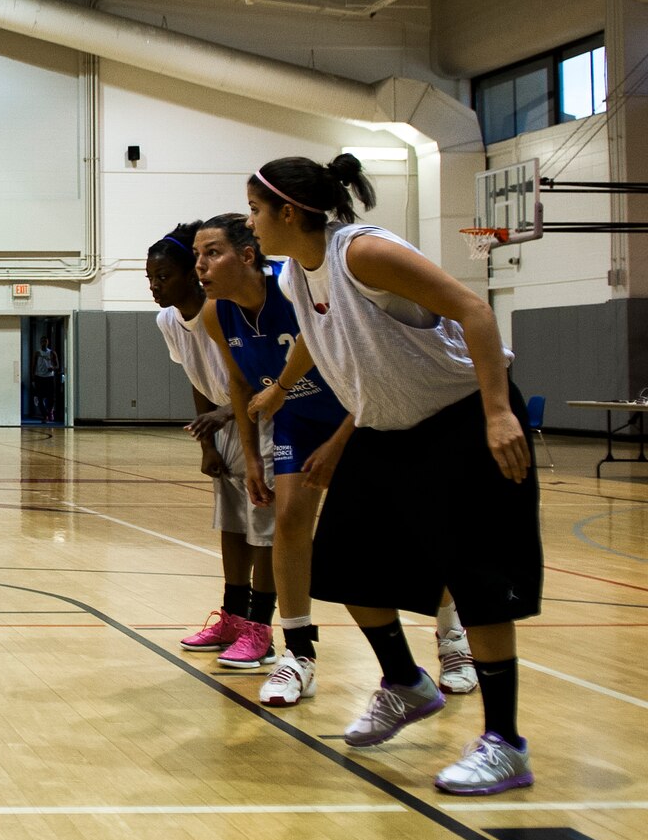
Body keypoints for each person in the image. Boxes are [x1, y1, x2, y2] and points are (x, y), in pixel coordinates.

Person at [247, 154, 536, 795]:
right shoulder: (296, 273)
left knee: (479, 581)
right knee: (346, 562)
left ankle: (505, 743)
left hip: (463, 418)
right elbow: (326, 344)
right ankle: (405, 681)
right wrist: (287, 396)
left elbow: (475, 311)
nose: (251, 224)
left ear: (288, 212)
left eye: (255, 211)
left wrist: (496, 413)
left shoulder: (364, 254)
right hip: (389, 429)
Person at [195, 213, 349, 707]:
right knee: (288, 523)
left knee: (408, 527)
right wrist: (254, 462)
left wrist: (341, 438)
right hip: (295, 421)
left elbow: (361, 364)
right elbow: (239, 385)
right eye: (197, 255)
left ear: (246, 254)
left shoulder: (293, 288)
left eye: (212, 252)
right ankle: (298, 654)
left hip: (354, 412)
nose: (201, 264)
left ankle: (452, 637)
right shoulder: (217, 312)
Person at [149, 224, 276, 670]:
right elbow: (195, 375)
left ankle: (261, 629)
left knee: (264, 530)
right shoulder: (169, 320)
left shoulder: (225, 310)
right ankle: (233, 618)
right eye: (150, 278)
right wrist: (209, 441)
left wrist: (228, 412)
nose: (154, 287)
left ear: (189, 274)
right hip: (225, 423)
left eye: (163, 277)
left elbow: (251, 374)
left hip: (262, 417)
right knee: (233, 526)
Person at [32, 337, 61, 423]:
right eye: (42, 342)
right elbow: (33, 365)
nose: (44, 343)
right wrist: (33, 378)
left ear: (48, 342)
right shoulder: (37, 353)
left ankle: (50, 411)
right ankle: (45, 416)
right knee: (40, 398)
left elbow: (57, 366)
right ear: (40, 343)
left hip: (49, 377)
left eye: (45, 341)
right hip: (39, 377)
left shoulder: (52, 353)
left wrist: (53, 368)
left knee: (51, 398)